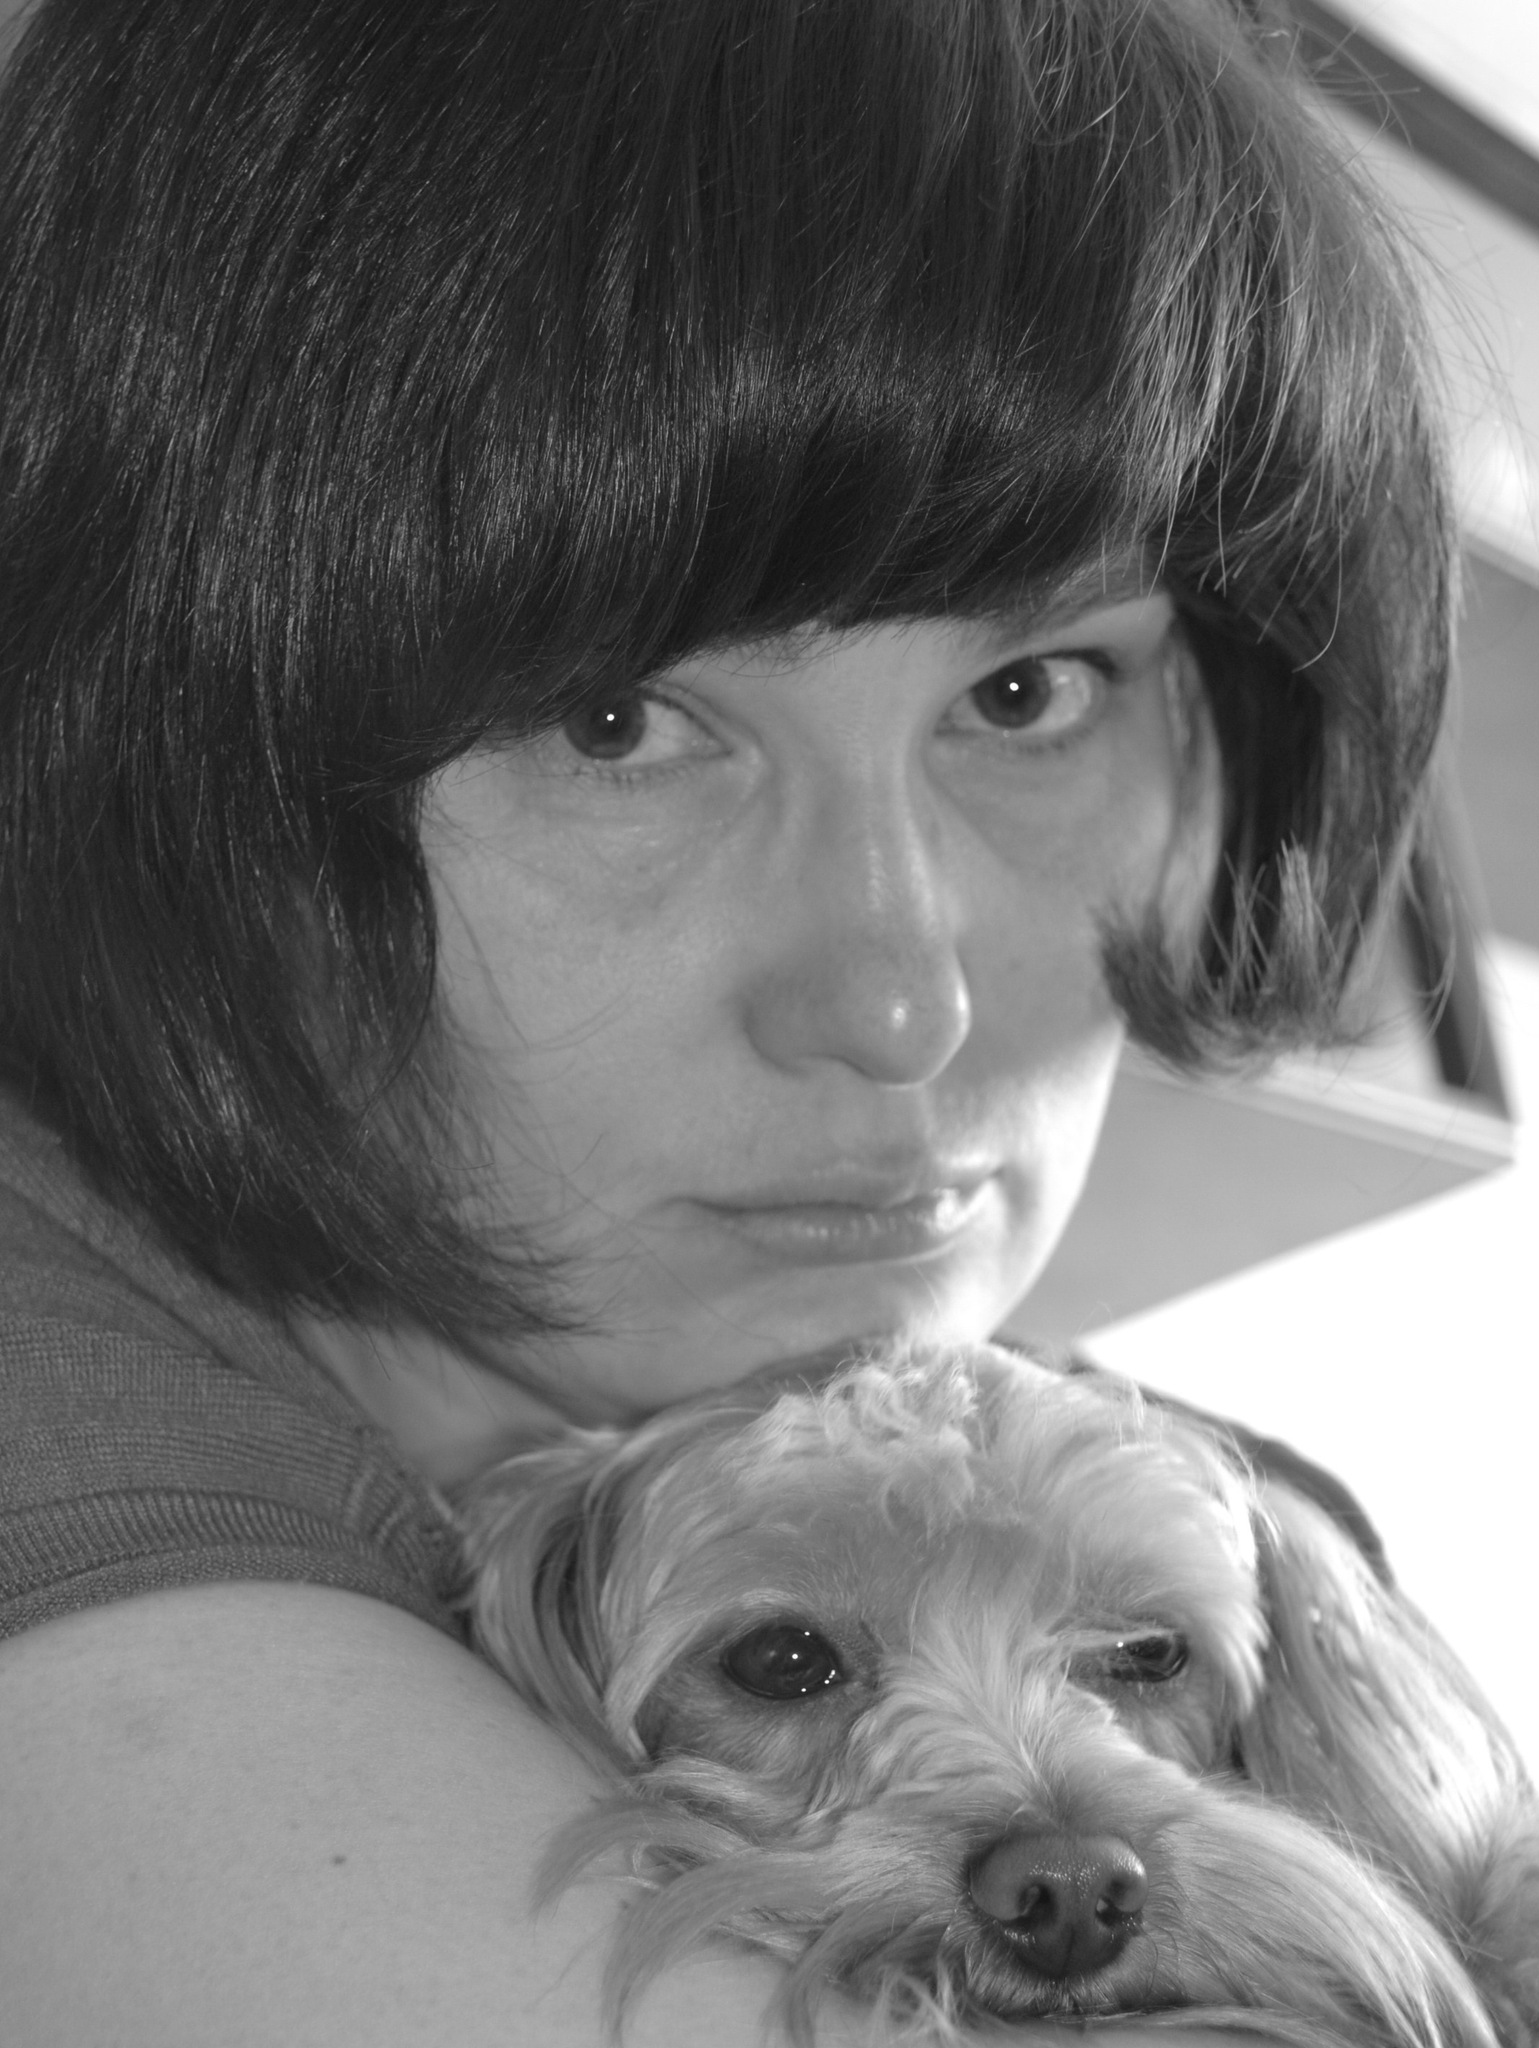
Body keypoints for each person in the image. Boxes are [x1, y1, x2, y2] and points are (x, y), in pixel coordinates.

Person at [0, 0, 1455, 2040]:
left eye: (1027, 691)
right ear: (148, 755)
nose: (901, 998)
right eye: (614, 721)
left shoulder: (1209, 1512)